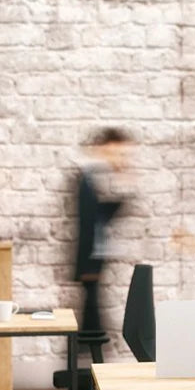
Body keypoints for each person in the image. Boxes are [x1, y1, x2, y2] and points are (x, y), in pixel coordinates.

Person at [75, 127, 131, 332]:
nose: (119, 158)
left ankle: (87, 354)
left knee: (91, 315)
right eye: (115, 152)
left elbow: (100, 216)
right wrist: (87, 266)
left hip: (94, 257)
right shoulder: (88, 179)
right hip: (91, 258)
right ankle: (87, 355)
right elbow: (88, 222)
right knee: (91, 317)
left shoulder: (95, 179)